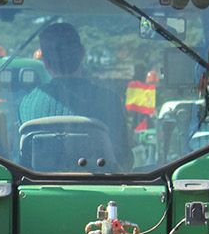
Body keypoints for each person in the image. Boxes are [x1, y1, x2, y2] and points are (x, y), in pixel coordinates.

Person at [18, 22, 132, 167]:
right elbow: (125, 160)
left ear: (45, 62)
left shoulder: (27, 104)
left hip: (40, 187)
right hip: (101, 186)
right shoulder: (110, 101)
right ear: (82, 53)